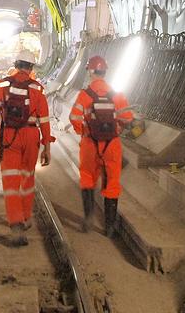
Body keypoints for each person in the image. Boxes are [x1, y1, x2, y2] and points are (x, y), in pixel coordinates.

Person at [0, 52, 52, 246]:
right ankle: (26, 217)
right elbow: (44, 121)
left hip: (9, 137)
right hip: (32, 137)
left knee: (11, 181)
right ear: (31, 68)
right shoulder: (38, 89)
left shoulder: (2, 86)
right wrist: (46, 147)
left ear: (16, 65)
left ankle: (16, 224)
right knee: (27, 177)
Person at [69, 56, 134, 236]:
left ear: (90, 71)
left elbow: (74, 117)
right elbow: (128, 118)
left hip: (90, 143)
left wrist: (84, 131)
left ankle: (88, 218)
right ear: (105, 72)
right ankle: (110, 227)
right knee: (112, 182)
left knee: (88, 178)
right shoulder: (117, 94)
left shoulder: (85, 94)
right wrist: (117, 129)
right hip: (112, 144)